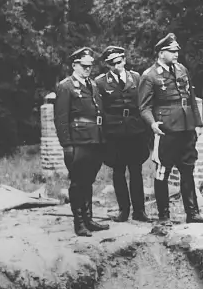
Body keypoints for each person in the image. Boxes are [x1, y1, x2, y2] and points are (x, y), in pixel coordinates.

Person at [139, 33, 203, 224]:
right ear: (161, 53)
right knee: (163, 171)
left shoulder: (181, 69)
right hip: (166, 129)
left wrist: (198, 124)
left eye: (177, 51)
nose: (176, 54)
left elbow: (192, 98)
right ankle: (164, 216)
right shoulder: (150, 76)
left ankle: (193, 213)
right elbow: (144, 107)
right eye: (172, 51)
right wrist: (153, 124)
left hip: (186, 128)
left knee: (187, 169)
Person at [54, 47, 110, 237]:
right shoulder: (66, 86)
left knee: (88, 181)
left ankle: (88, 219)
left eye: (90, 66)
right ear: (74, 65)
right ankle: (79, 222)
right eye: (84, 66)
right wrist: (66, 145)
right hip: (78, 142)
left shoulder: (93, 85)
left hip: (95, 140)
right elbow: (61, 119)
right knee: (78, 182)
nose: (88, 69)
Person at [95, 46, 150, 223]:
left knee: (136, 170)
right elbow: (100, 110)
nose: (116, 66)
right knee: (118, 171)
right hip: (114, 132)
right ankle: (123, 210)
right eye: (112, 63)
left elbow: (143, 104)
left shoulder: (136, 77)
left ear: (124, 60)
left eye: (119, 62)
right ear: (107, 65)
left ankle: (139, 211)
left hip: (135, 130)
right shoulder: (101, 82)